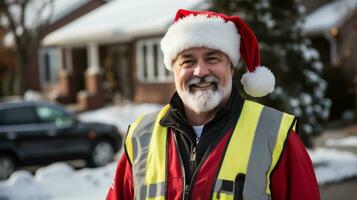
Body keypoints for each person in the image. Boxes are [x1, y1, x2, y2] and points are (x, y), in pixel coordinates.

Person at [106, 9, 320, 200]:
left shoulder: (275, 135)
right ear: (175, 71)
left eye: (212, 58)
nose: (200, 71)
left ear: (231, 68)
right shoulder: (140, 136)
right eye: (188, 61)